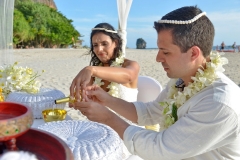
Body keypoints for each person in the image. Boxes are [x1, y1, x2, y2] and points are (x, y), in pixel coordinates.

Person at [71, 6, 240, 160]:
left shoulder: (219, 102)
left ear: (194, 53)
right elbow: (150, 113)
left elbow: (160, 149)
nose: (158, 58)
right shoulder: (181, 81)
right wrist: (105, 99)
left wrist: (107, 117)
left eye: (165, 52)